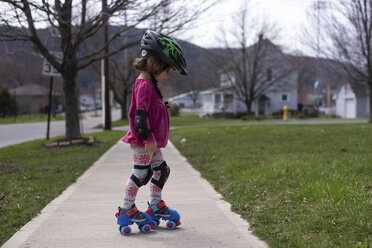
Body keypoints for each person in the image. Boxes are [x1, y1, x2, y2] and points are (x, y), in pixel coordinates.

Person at [116, 30, 187, 233]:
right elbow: (140, 117)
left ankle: (155, 205)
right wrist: (147, 137)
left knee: (161, 170)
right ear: (156, 64)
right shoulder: (144, 86)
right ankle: (125, 210)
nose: (167, 76)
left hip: (150, 141)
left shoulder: (150, 84)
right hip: (144, 141)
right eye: (168, 71)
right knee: (141, 173)